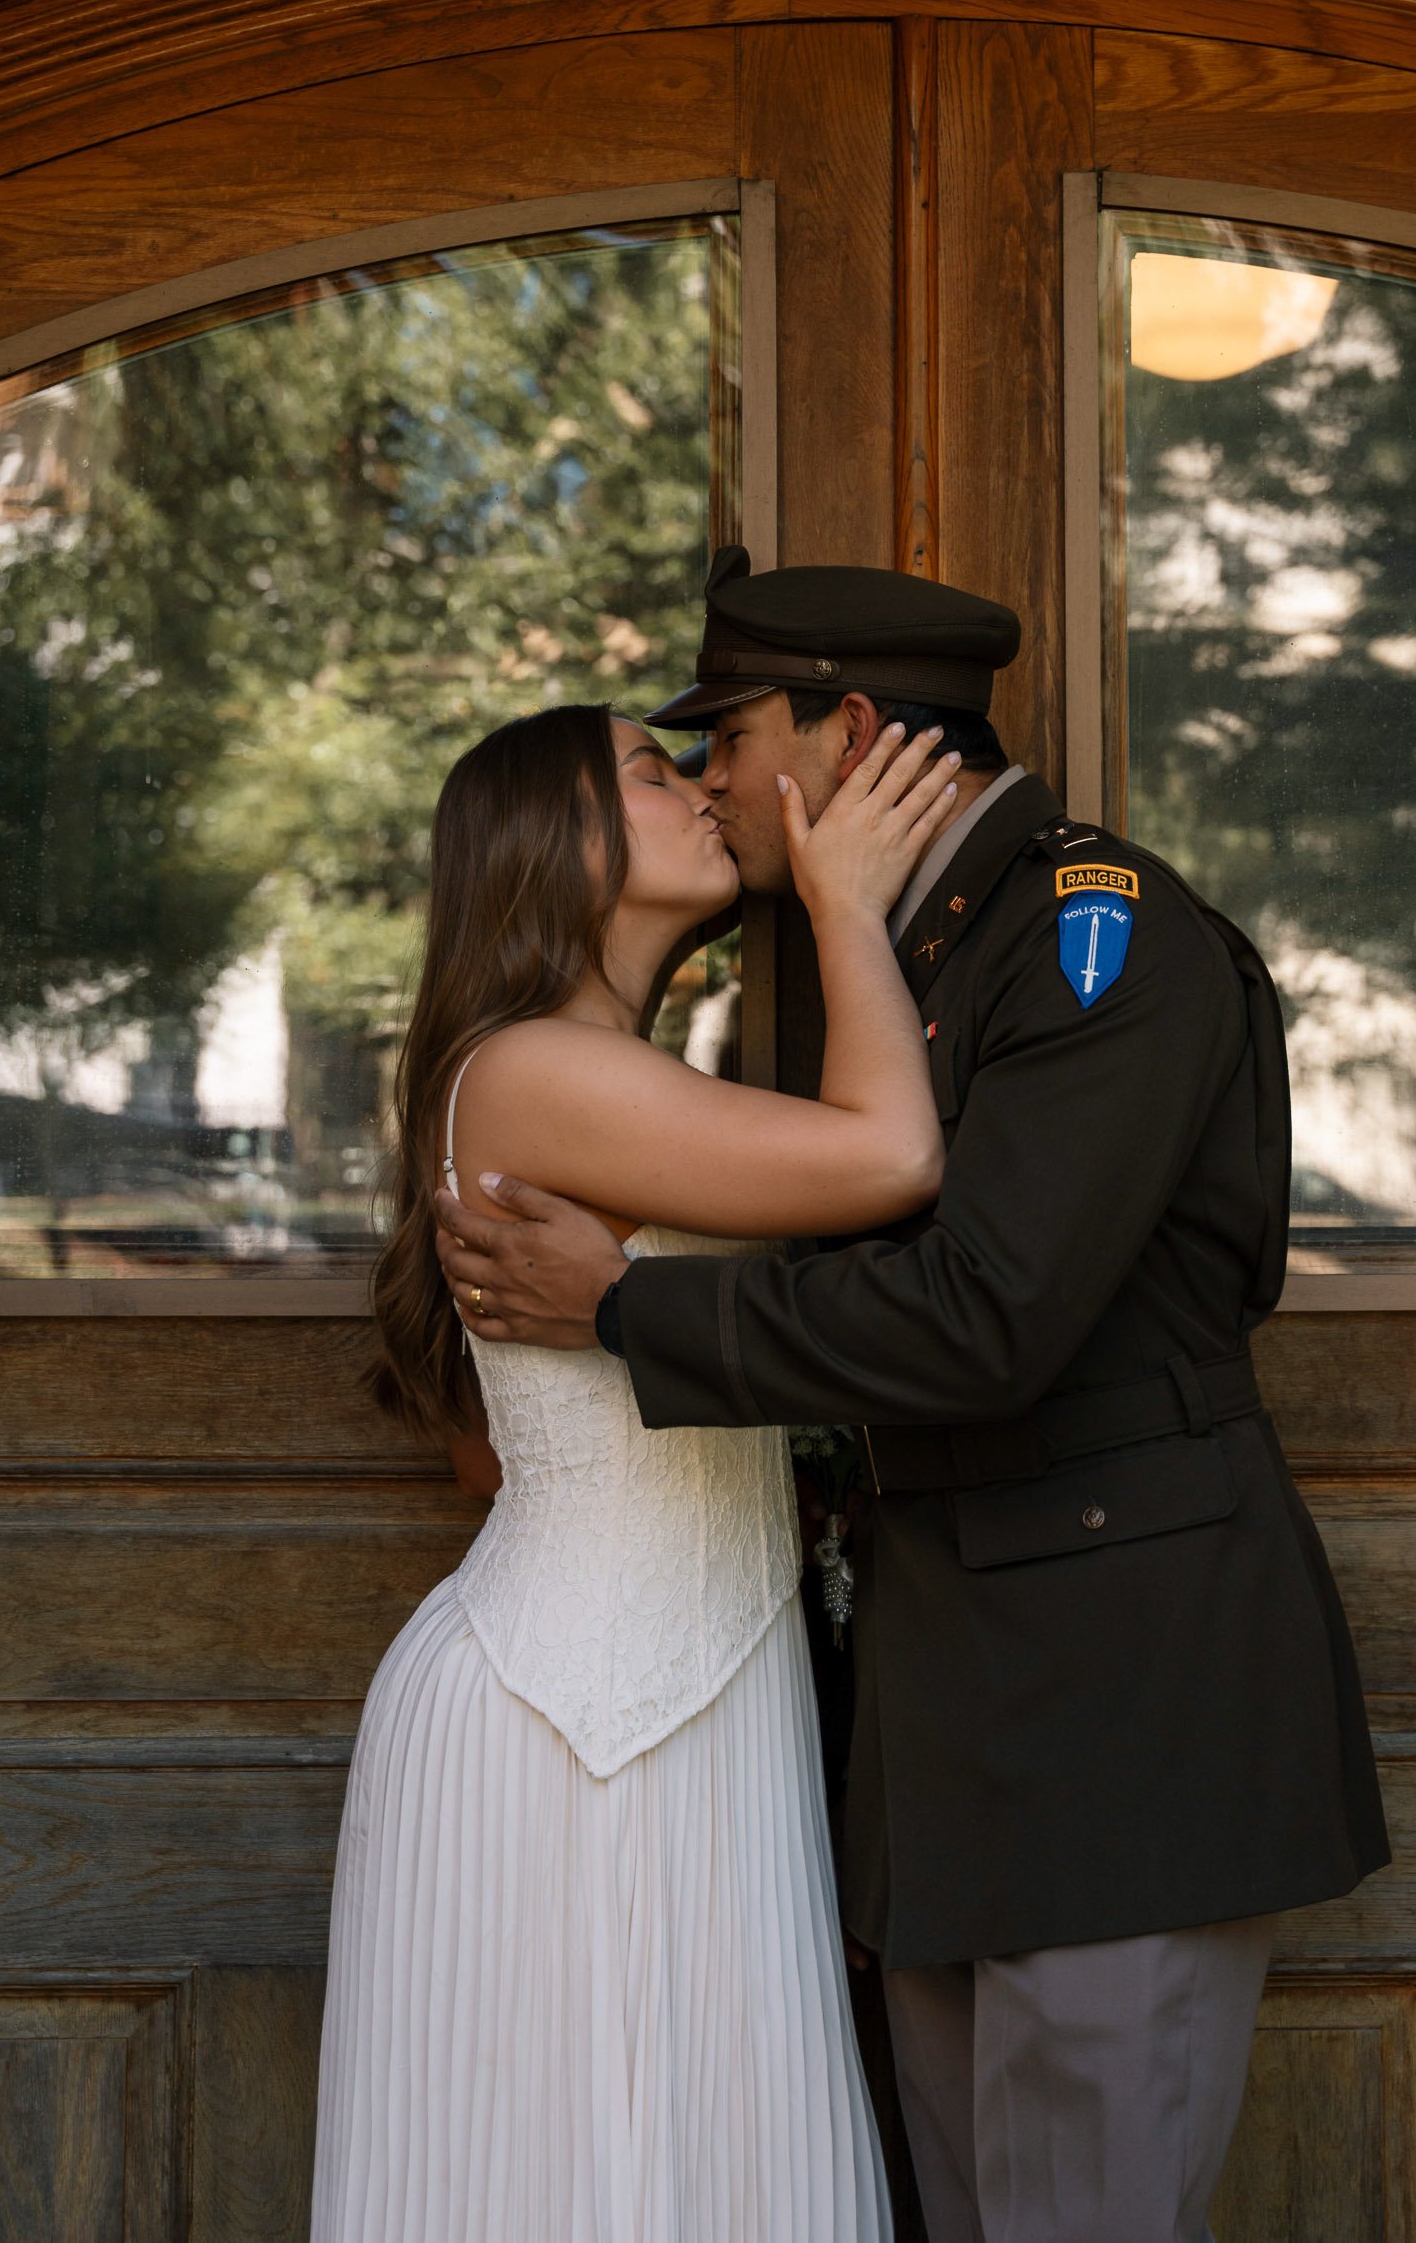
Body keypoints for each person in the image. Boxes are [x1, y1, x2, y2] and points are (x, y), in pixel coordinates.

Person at [435, 550, 1392, 2243]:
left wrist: (625, 1309)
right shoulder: (896, 943)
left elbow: (991, 1317)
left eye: (724, 737)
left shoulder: (1103, 935)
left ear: (850, 730)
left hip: (1118, 1719)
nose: (717, 780)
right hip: (955, 1738)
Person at [313, 697, 968, 2243]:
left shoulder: (612, 1066)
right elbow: (891, 1158)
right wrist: (847, 902)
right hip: (570, 1721)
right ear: (557, 842)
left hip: (706, 1696)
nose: (697, 790)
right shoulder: (531, 1068)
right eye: (651, 771)